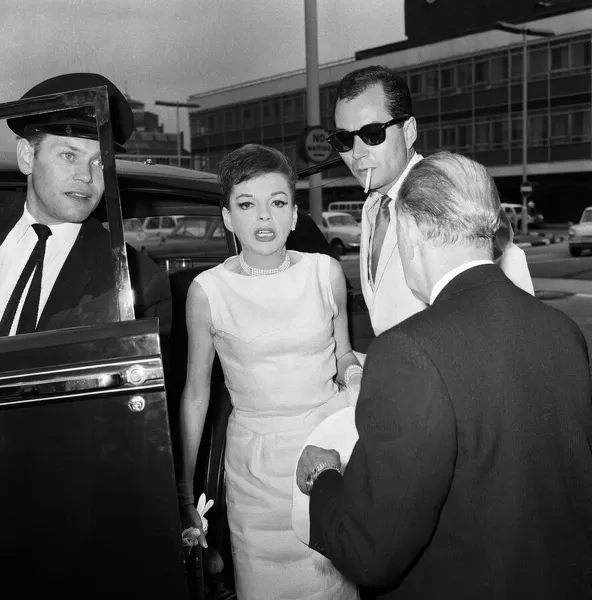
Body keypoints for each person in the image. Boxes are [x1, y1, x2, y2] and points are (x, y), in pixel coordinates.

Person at [296, 151, 592, 599]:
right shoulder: (561, 330)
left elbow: (369, 551)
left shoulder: (408, 352)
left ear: (411, 231)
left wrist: (324, 474)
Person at [178, 144, 362, 599]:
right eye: (247, 205)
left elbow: (343, 353)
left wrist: (355, 376)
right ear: (227, 217)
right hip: (255, 474)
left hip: (328, 458)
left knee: (337, 582)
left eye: (277, 203)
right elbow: (196, 395)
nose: (264, 218)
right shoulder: (208, 292)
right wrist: (183, 488)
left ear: (295, 214)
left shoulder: (326, 273)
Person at [327, 65, 534, 336]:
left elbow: (511, 288)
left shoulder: (454, 192)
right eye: (344, 139)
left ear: (409, 131)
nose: (357, 153)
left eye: (372, 133)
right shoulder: (372, 207)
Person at [0, 73, 171, 344]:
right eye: (69, 156)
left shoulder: (136, 282)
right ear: (26, 157)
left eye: (99, 163)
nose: (86, 176)